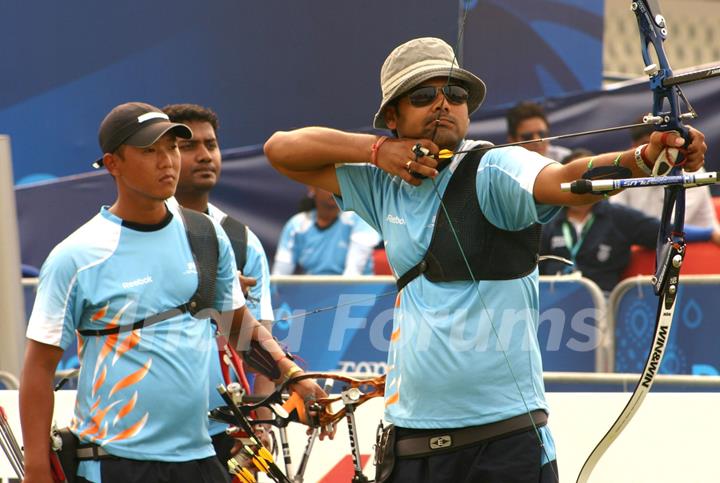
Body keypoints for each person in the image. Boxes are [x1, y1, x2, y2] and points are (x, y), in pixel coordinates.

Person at [263, 37, 707, 482]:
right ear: (393, 118)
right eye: (423, 96)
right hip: (410, 444)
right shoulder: (384, 185)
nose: (443, 104)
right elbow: (280, 149)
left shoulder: (496, 169)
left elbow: (565, 180)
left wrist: (646, 158)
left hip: (502, 445)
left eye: (455, 94)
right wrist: (376, 151)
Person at [19, 102, 326, 483]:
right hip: (114, 462)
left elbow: (239, 330)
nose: (167, 161)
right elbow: (38, 369)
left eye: (172, 148)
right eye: (150, 151)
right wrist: (35, 469)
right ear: (113, 164)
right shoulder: (76, 256)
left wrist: (294, 377)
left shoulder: (207, 235)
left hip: (203, 459)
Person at [162, 103, 276, 465]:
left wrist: (260, 425)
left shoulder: (242, 242)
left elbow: (257, 346)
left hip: (226, 433)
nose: (204, 156)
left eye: (210, 145)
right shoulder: (131, 235)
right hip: (146, 434)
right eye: (188, 146)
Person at [539, 149, 720, 293]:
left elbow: (663, 231)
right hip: (551, 305)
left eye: (587, 179)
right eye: (573, 179)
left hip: (602, 308)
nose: (581, 186)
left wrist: (708, 233)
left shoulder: (618, 217)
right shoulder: (545, 218)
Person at [609, 117, 718, 228]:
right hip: (645, 241)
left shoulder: (690, 172)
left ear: (670, 143)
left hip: (694, 244)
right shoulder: (627, 172)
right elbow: (614, 216)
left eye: (659, 145)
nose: (653, 151)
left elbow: (671, 227)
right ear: (634, 147)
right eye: (645, 146)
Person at [272, 187, 381, 275]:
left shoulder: (361, 217)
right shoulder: (296, 225)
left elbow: (353, 273)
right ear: (312, 188)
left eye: (338, 183)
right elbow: (279, 276)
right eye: (327, 183)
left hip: (358, 293)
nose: (334, 188)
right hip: (314, 295)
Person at [506, 101, 571, 162]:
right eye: (527, 136)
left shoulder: (565, 158)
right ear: (512, 140)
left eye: (542, 134)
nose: (537, 141)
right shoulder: (504, 166)